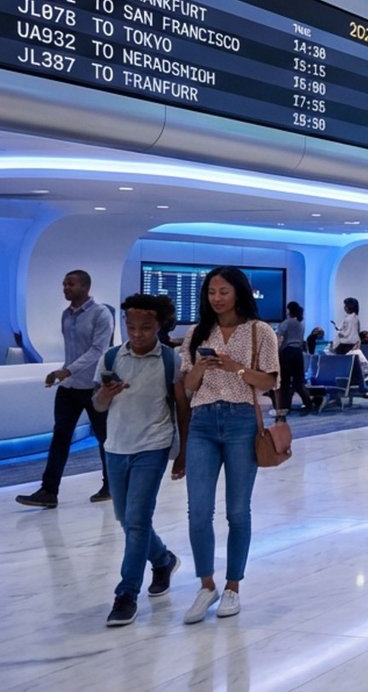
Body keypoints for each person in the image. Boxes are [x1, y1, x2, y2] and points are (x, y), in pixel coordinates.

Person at [176, 266, 280, 625]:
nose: (216, 298)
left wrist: (235, 368)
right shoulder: (196, 332)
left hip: (240, 422)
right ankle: (206, 585)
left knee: (238, 510)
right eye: (211, 293)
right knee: (198, 510)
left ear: (238, 292)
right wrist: (202, 369)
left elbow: (267, 381)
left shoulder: (259, 332)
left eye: (223, 291)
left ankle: (233, 584)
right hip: (203, 422)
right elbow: (187, 385)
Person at [94, 293, 182, 627]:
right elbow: (99, 406)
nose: (137, 333)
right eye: (131, 327)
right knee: (124, 518)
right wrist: (105, 394)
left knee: (137, 520)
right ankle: (162, 559)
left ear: (159, 326)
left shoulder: (169, 361)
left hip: (153, 445)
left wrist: (182, 451)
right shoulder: (113, 357)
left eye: (145, 327)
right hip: (116, 446)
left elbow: (180, 407)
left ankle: (126, 594)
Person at [16, 269, 116, 509]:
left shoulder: (101, 314)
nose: (65, 288)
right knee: (60, 437)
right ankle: (49, 491)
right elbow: (72, 351)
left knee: (105, 439)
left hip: (92, 387)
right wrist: (61, 373)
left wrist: (67, 370)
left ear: (85, 287)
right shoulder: (66, 315)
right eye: (64, 284)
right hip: (69, 388)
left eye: (70, 284)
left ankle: (111, 485)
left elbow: (97, 351)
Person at [274, 301, 309, 414]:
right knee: (299, 381)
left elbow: (279, 339)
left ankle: (285, 406)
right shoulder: (300, 324)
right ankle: (308, 404)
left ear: (289, 310)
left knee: (284, 381)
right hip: (298, 353)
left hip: (287, 353)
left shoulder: (286, 323)